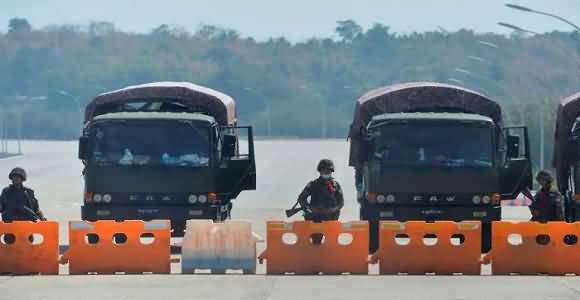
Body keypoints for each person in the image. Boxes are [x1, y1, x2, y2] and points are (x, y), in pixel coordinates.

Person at [296, 159, 344, 244]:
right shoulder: (313, 184)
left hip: (331, 218)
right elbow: (301, 198)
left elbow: (341, 203)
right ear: (320, 171)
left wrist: (333, 209)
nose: (326, 172)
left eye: (329, 171)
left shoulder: (336, 185)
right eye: (324, 170)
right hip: (316, 218)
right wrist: (310, 208)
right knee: (316, 243)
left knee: (331, 244)